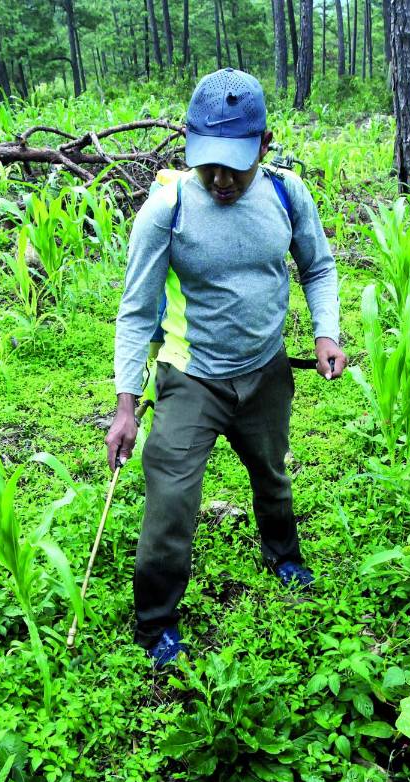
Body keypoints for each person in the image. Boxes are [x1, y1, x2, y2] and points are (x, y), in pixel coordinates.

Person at [105, 68, 346, 667]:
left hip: (266, 371)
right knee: (170, 499)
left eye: (234, 164)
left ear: (264, 144)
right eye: (207, 162)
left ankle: (283, 555)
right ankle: (156, 623)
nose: (220, 178)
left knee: (272, 471)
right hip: (192, 376)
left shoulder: (288, 194)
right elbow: (136, 310)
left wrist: (325, 333)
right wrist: (126, 405)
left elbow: (318, 268)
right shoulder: (168, 206)